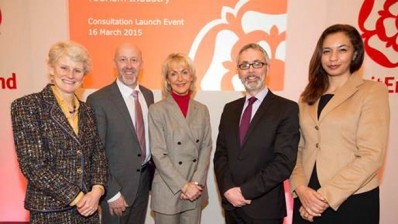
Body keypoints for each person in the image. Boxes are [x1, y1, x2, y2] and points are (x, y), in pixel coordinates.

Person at [290, 24, 390, 224]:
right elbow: (298, 149)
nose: (333, 57)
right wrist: (300, 189)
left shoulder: (372, 91)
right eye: (327, 51)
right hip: (307, 198)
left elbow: (372, 155)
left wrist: (324, 197)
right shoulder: (307, 96)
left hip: (352, 199)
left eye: (342, 50)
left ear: (355, 54)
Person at [10, 41, 108, 223]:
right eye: (64, 67)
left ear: (84, 75)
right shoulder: (27, 106)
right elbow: (33, 166)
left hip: (88, 211)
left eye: (77, 70)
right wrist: (78, 198)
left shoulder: (87, 111)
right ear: (51, 69)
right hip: (50, 212)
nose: (70, 75)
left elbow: (98, 155)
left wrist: (97, 190)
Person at [213, 43, 300, 224]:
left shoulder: (286, 109)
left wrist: (244, 192)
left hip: (265, 210)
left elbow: (284, 162)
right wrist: (228, 189)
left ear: (267, 68)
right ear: (238, 71)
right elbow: (221, 154)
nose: (250, 71)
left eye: (257, 64)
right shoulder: (230, 109)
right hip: (232, 208)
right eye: (244, 65)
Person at [86, 42, 154, 224]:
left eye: (134, 60)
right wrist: (111, 192)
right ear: (114, 63)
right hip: (117, 189)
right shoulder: (98, 100)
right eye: (123, 60)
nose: (129, 65)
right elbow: (96, 151)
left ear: (142, 64)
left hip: (143, 182)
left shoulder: (148, 95)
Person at [148, 53, 212, 224]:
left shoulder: (202, 110)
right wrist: (184, 186)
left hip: (194, 190)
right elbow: (158, 153)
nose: (180, 78)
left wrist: (195, 184)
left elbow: (206, 147)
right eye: (173, 73)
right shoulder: (157, 110)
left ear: (191, 76)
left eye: (184, 72)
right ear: (167, 79)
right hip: (168, 190)